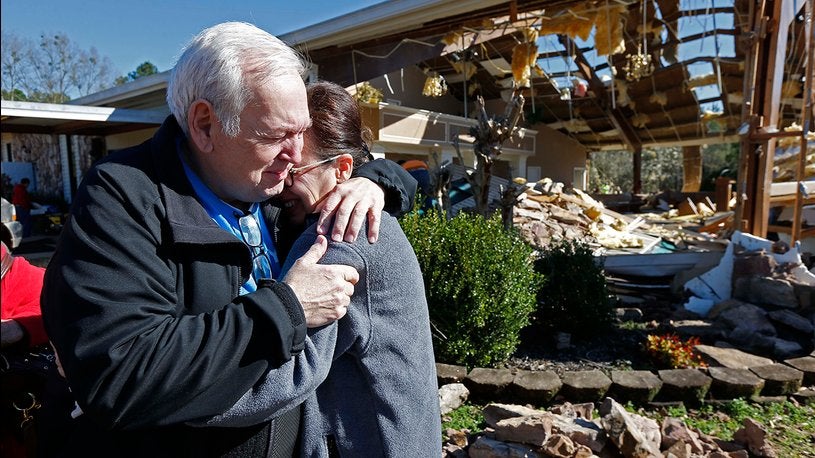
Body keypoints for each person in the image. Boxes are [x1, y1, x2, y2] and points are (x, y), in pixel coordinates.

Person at [41, 22, 416, 457]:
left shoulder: (270, 190)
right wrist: (288, 308)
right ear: (204, 125)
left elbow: (362, 168)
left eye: (301, 132)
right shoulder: (122, 199)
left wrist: (374, 182)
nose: (295, 158)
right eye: (277, 136)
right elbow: (122, 377)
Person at [206, 81, 442, 456]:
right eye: (276, 162)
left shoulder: (335, 239)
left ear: (342, 170)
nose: (279, 184)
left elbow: (289, 375)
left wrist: (172, 396)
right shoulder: (333, 218)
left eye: (294, 170)